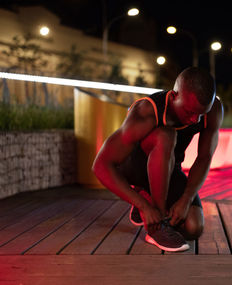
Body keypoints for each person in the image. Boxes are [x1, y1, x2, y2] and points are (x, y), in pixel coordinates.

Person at [92, 67, 223, 252]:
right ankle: (156, 225)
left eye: (200, 114)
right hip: (133, 167)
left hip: (168, 169)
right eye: (189, 111)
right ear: (173, 97)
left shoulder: (213, 110)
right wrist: (143, 205)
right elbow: (101, 166)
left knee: (193, 227)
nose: (195, 120)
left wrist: (185, 199)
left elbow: (204, 158)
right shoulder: (146, 111)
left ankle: (150, 196)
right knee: (165, 135)